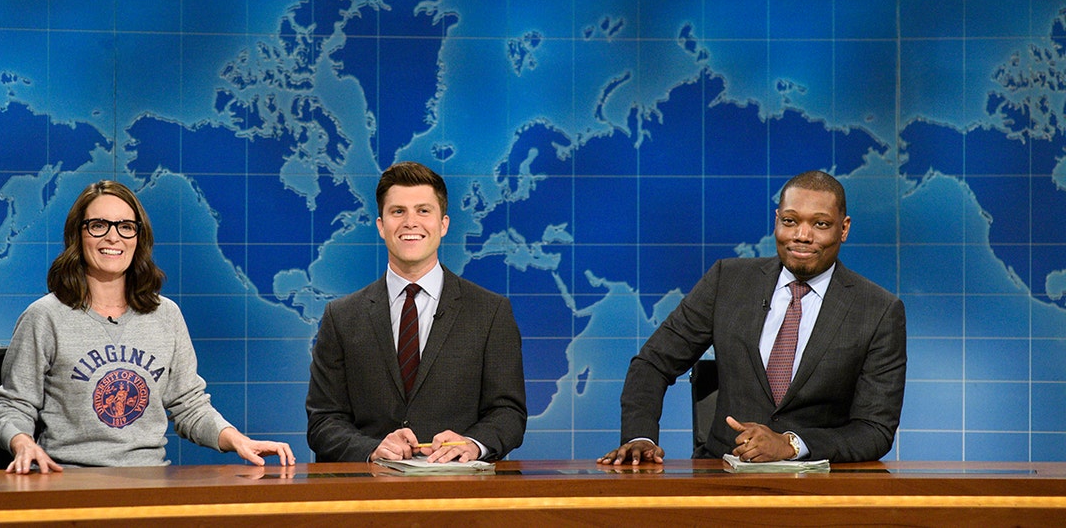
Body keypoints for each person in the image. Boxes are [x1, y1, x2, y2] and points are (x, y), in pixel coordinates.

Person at [598, 170, 906, 465]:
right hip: (721, 476)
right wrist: (642, 439)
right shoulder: (727, 281)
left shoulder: (878, 310)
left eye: (820, 224)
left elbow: (874, 430)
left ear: (844, 228)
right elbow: (653, 363)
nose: (802, 235)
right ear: (777, 221)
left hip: (817, 487)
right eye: (790, 221)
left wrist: (791, 445)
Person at [0, 180, 295, 473]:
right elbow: (12, 406)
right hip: (69, 480)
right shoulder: (45, 317)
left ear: (139, 238)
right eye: (99, 226)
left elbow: (189, 405)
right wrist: (22, 443)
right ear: (77, 236)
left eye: (125, 227)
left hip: (149, 481)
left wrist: (238, 440)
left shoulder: (166, 315)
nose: (113, 237)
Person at [306, 161, 527, 463]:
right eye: (398, 212)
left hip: (459, 496)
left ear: (444, 224)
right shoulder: (341, 317)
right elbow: (323, 421)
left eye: (423, 211)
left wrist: (474, 444)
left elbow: (508, 413)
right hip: (368, 495)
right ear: (381, 226)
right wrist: (371, 450)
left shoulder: (490, 313)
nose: (411, 222)